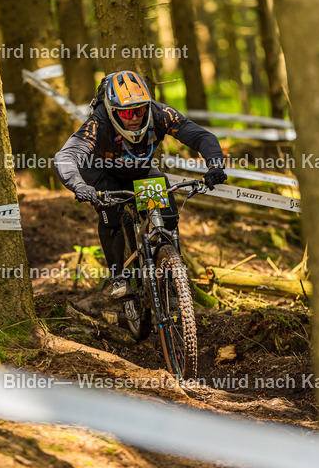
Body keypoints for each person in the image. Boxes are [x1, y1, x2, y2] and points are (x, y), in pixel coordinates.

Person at [53, 70, 227, 298]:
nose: (135, 117)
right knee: (111, 213)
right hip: (101, 171)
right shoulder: (99, 122)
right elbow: (66, 156)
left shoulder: (160, 114)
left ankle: (172, 273)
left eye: (140, 110)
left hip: (138, 169)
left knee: (168, 217)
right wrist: (78, 185)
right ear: (113, 111)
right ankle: (118, 278)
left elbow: (201, 136)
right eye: (127, 113)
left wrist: (215, 166)